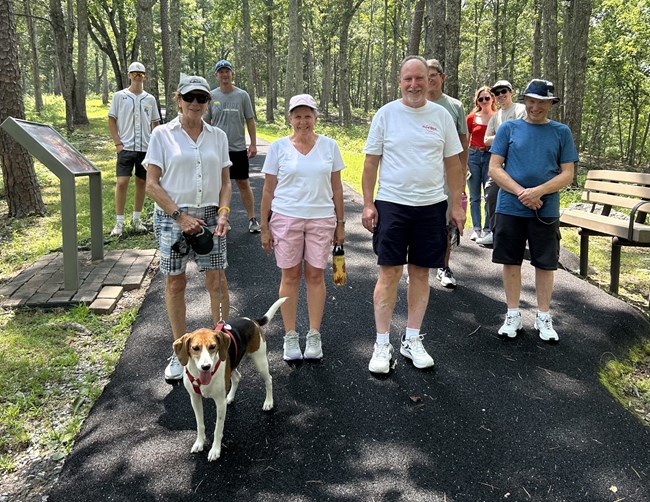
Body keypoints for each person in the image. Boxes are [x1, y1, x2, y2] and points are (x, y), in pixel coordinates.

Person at [362, 56, 465, 374]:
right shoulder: (386, 114)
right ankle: (382, 343)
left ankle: (412, 339)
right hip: (392, 204)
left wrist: (457, 205)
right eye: (408, 79)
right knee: (389, 274)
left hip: (431, 206)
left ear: (430, 79)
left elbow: (453, 164)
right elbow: (370, 162)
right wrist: (368, 203)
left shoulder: (442, 116)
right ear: (400, 81)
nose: (414, 84)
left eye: (420, 78)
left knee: (420, 274)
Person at [143, 75, 232, 381]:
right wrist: (180, 216)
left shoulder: (217, 136)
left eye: (202, 98)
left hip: (209, 216)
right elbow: (152, 185)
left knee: (217, 281)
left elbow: (225, 182)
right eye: (189, 97)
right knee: (175, 284)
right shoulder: (162, 135)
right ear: (178, 99)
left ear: (208, 102)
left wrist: (223, 213)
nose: (195, 103)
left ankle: (219, 350)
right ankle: (180, 353)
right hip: (172, 216)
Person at [488, 79, 578, 343]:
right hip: (510, 207)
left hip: (545, 209)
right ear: (525, 100)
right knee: (510, 261)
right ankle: (513, 314)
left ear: (551, 104)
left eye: (543, 102)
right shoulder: (508, 128)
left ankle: (543, 316)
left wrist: (538, 192)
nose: (536, 106)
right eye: (532, 100)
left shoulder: (561, 132)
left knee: (545, 263)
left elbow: (568, 174)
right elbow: (495, 168)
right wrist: (522, 193)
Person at [260, 94, 345, 361]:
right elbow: (268, 190)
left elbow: (337, 187)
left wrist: (340, 224)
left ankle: (314, 334)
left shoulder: (330, 146)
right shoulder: (278, 147)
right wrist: (264, 226)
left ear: (315, 118)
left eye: (308, 115)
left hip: (321, 218)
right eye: (297, 116)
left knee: (315, 276)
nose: (303, 121)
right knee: (290, 277)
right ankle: (290, 336)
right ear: (290, 119)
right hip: (286, 218)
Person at [426, 58, 469, 289]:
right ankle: (418, 266)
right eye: (426, 74)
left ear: (442, 77)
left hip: (447, 174)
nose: (430, 78)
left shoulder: (454, 106)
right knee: (421, 221)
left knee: (446, 223)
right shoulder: (414, 103)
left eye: (434, 74)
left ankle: (443, 266)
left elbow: (463, 143)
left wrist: (462, 176)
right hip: (422, 175)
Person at [205, 59, 261, 233]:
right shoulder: (211, 96)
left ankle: (252, 219)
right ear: (216, 75)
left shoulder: (242, 95)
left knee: (243, 183)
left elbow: (250, 119)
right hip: (217, 149)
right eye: (221, 72)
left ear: (232, 74)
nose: (224, 74)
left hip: (238, 148)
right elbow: (206, 123)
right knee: (220, 185)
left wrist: (253, 143)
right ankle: (223, 219)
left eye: (227, 71)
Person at [108, 62, 161, 237]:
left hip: (145, 148)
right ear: (129, 75)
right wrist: (118, 144)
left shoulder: (150, 99)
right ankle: (119, 222)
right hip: (126, 147)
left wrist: (155, 144)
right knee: (122, 183)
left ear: (144, 76)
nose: (138, 76)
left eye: (141, 74)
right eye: (135, 73)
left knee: (142, 183)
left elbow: (155, 123)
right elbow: (112, 119)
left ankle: (136, 219)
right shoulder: (119, 96)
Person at [477, 79, 526, 246]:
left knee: (520, 196)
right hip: (499, 164)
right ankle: (494, 231)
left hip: (519, 162)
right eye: (496, 93)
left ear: (511, 92)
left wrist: (499, 137)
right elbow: (485, 140)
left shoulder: (520, 110)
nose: (500, 95)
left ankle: (521, 236)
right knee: (491, 193)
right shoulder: (496, 116)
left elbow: (522, 133)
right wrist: (505, 135)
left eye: (503, 91)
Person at [466, 86, 497, 241]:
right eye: (481, 99)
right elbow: (465, 141)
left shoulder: (498, 117)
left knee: (489, 194)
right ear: (477, 101)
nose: (484, 101)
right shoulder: (471, 118)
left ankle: (487, 229)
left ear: (492, 99)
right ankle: (476, 228)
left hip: (491, 156)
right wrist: (464, 162)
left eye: (487, 98)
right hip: (473, 155)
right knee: (474, 195)